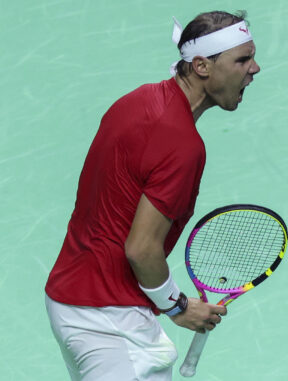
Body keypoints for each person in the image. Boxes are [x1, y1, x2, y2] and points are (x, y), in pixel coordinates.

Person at [44, 10, 260, 381]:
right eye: (242, 59)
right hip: (111, 323)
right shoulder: (183, 146)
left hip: (68, 300)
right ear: (202, 67)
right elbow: (141, 248)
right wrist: (177, 306)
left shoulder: (137, 100)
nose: (254, 68)